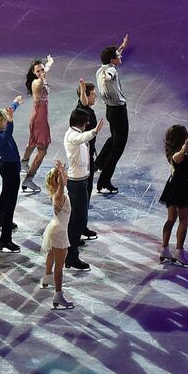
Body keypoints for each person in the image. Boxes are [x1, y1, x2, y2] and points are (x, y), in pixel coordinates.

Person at [64, 107, 107, 271]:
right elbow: (81, 138)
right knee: (79, 219)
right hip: (77, 184)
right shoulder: (73, 136)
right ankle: (72, 255)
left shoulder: (74, 133)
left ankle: (71, 249)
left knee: (77, 218)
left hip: (80, 181)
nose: (88, 123)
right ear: (80, 122)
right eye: (86, 122)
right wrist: (95, 131)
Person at [94, 34, 130, 194]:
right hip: (118, 112)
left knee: (114, 138)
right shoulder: (109, 72)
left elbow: (109, 64)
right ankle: (104, 181)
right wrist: (106, 79)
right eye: (118, 55)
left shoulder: (102, 67)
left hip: (110, 111)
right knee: (118, 147)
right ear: (112, 60)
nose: (120, 56)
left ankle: (98, 163)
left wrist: (122, 45)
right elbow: (109, 76)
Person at [0, 96, 25, 252]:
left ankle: (2, 220)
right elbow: (7, 134)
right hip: (10, 169)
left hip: (9, 166)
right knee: (10, 203)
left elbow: (8, 111)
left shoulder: (0, 127)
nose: (5, 121)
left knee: (5, 196)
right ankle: (5, 240)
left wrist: (15, 103)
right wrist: (10, 122)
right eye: (3, 120)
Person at [159, 125, 188, 268]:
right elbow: (178, 156)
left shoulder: (172, 151)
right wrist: (185, 147)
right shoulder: (177, 154)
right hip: (179, 189)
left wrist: (185, 148)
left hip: (172, 186)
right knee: (184, 220)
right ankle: (179, 252)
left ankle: (165, 250)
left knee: (171, 219)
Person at [40, 162, 74, 308]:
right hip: (59, 231)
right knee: (59, 266)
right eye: (64, 175)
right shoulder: (59, 196)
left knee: (51, 255)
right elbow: (61, 186)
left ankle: (47, 277)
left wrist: (60, 173)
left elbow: (61, 186)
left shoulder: (56, 194)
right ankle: (58, 295)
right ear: (58, 180)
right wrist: (60, 175)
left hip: (55, 227)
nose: (66, 176)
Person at [21, 54, 54, 192]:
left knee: (33, 142)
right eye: (38, 71)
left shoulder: (41, 77)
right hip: (40, 118)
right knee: (42, 151)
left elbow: (45, 71)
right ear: (34, 73)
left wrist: (49, 63)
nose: (41, 72)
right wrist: (38, 97)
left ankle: (23, 162)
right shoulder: (37, 82)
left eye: (42, 70)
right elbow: (38, 89)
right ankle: (28, 180)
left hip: (37, 115)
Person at [73, 79, 101, 240]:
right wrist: (83, 91)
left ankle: (82, 225)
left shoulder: (86, 108)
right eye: (93, 95)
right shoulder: (82, 109)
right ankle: (77, 229)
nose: (95, 96)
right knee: (83, 193)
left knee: (87, 191)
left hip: (88, 153)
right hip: (83, 157)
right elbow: (83, 103)